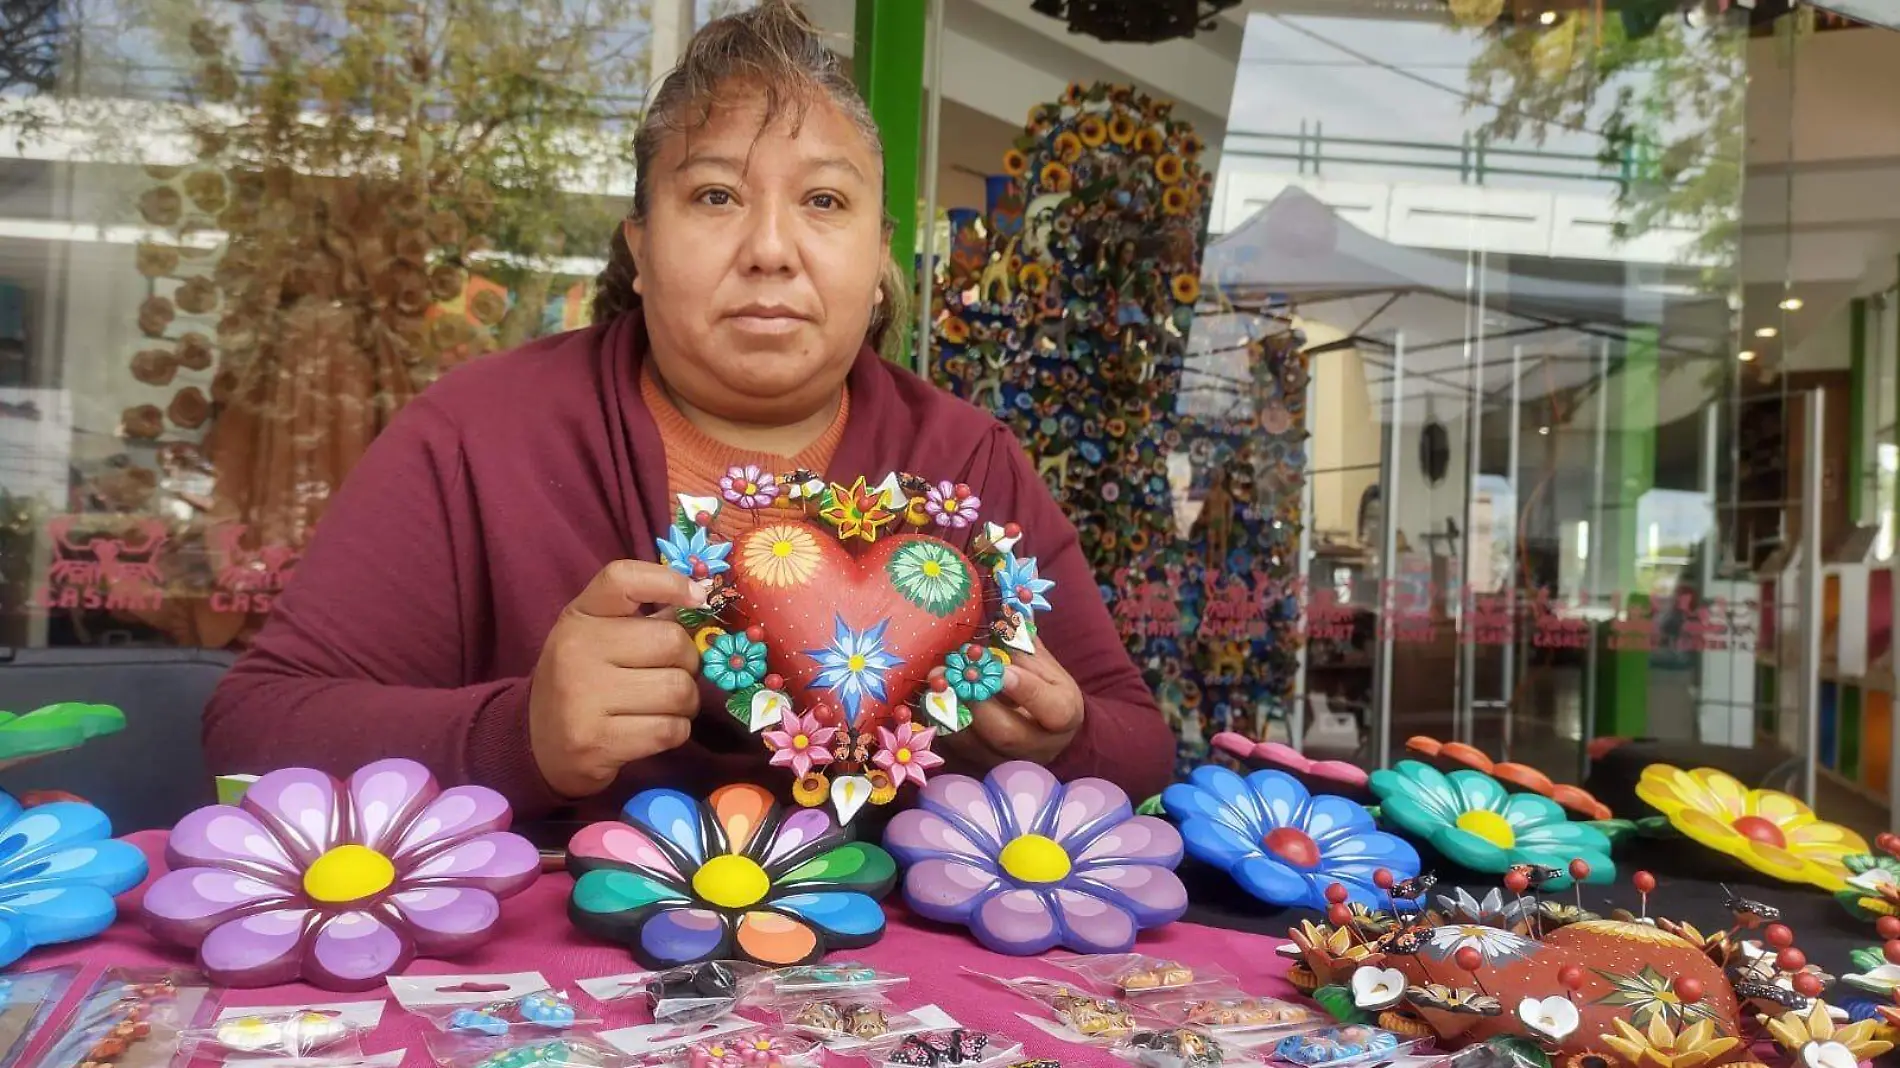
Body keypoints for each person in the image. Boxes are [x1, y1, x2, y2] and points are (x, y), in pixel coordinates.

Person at [202, 0, 1174, 818]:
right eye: (714, 196)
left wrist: (1062, 740)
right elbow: (253, 730)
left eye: (825, 203)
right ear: (637, 245)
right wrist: (513, 735)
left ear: (880, 260)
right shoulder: (476, 436)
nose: (770, 249)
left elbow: (1140, 747)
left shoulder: (965, 460)